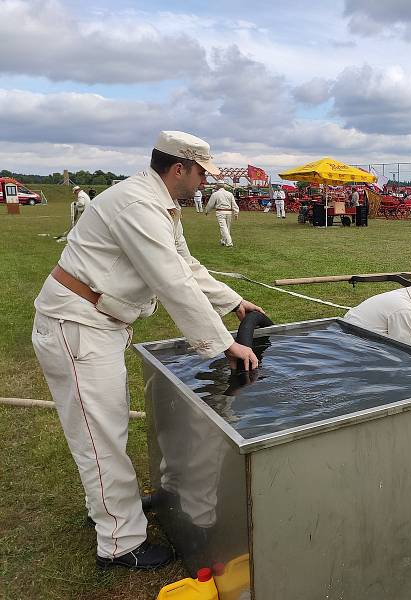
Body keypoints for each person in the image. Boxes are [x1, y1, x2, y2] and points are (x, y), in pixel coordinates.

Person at [31, 131, 265, 570]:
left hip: (95, 323)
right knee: (101, 437)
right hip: (77, 324)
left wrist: (232, 301)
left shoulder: (158, 204)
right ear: (179, 168)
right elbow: (170, 282)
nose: (204, 184)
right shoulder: (139, 205)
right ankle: (119, 545)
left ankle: (107, 510)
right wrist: (223, 343)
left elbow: (186, 266)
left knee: (104, 429)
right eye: (201, 174)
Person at [342, 273, 411, 345]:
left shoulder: (404, 295)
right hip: (354, 342)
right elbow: (404, 351)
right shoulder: (405, 310)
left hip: (347, 332)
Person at [205, 182, 239, 247]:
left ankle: (229, 242)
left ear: (217, 186)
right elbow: (234, 204)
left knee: (223, 227)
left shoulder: (215, 194)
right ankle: (223, 240)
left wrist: (207, 211)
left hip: (220, 212)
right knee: (227, 228)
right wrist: (236, 213)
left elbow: (210, 204)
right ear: (224, 186)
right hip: (229, 212)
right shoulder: (230, 194)